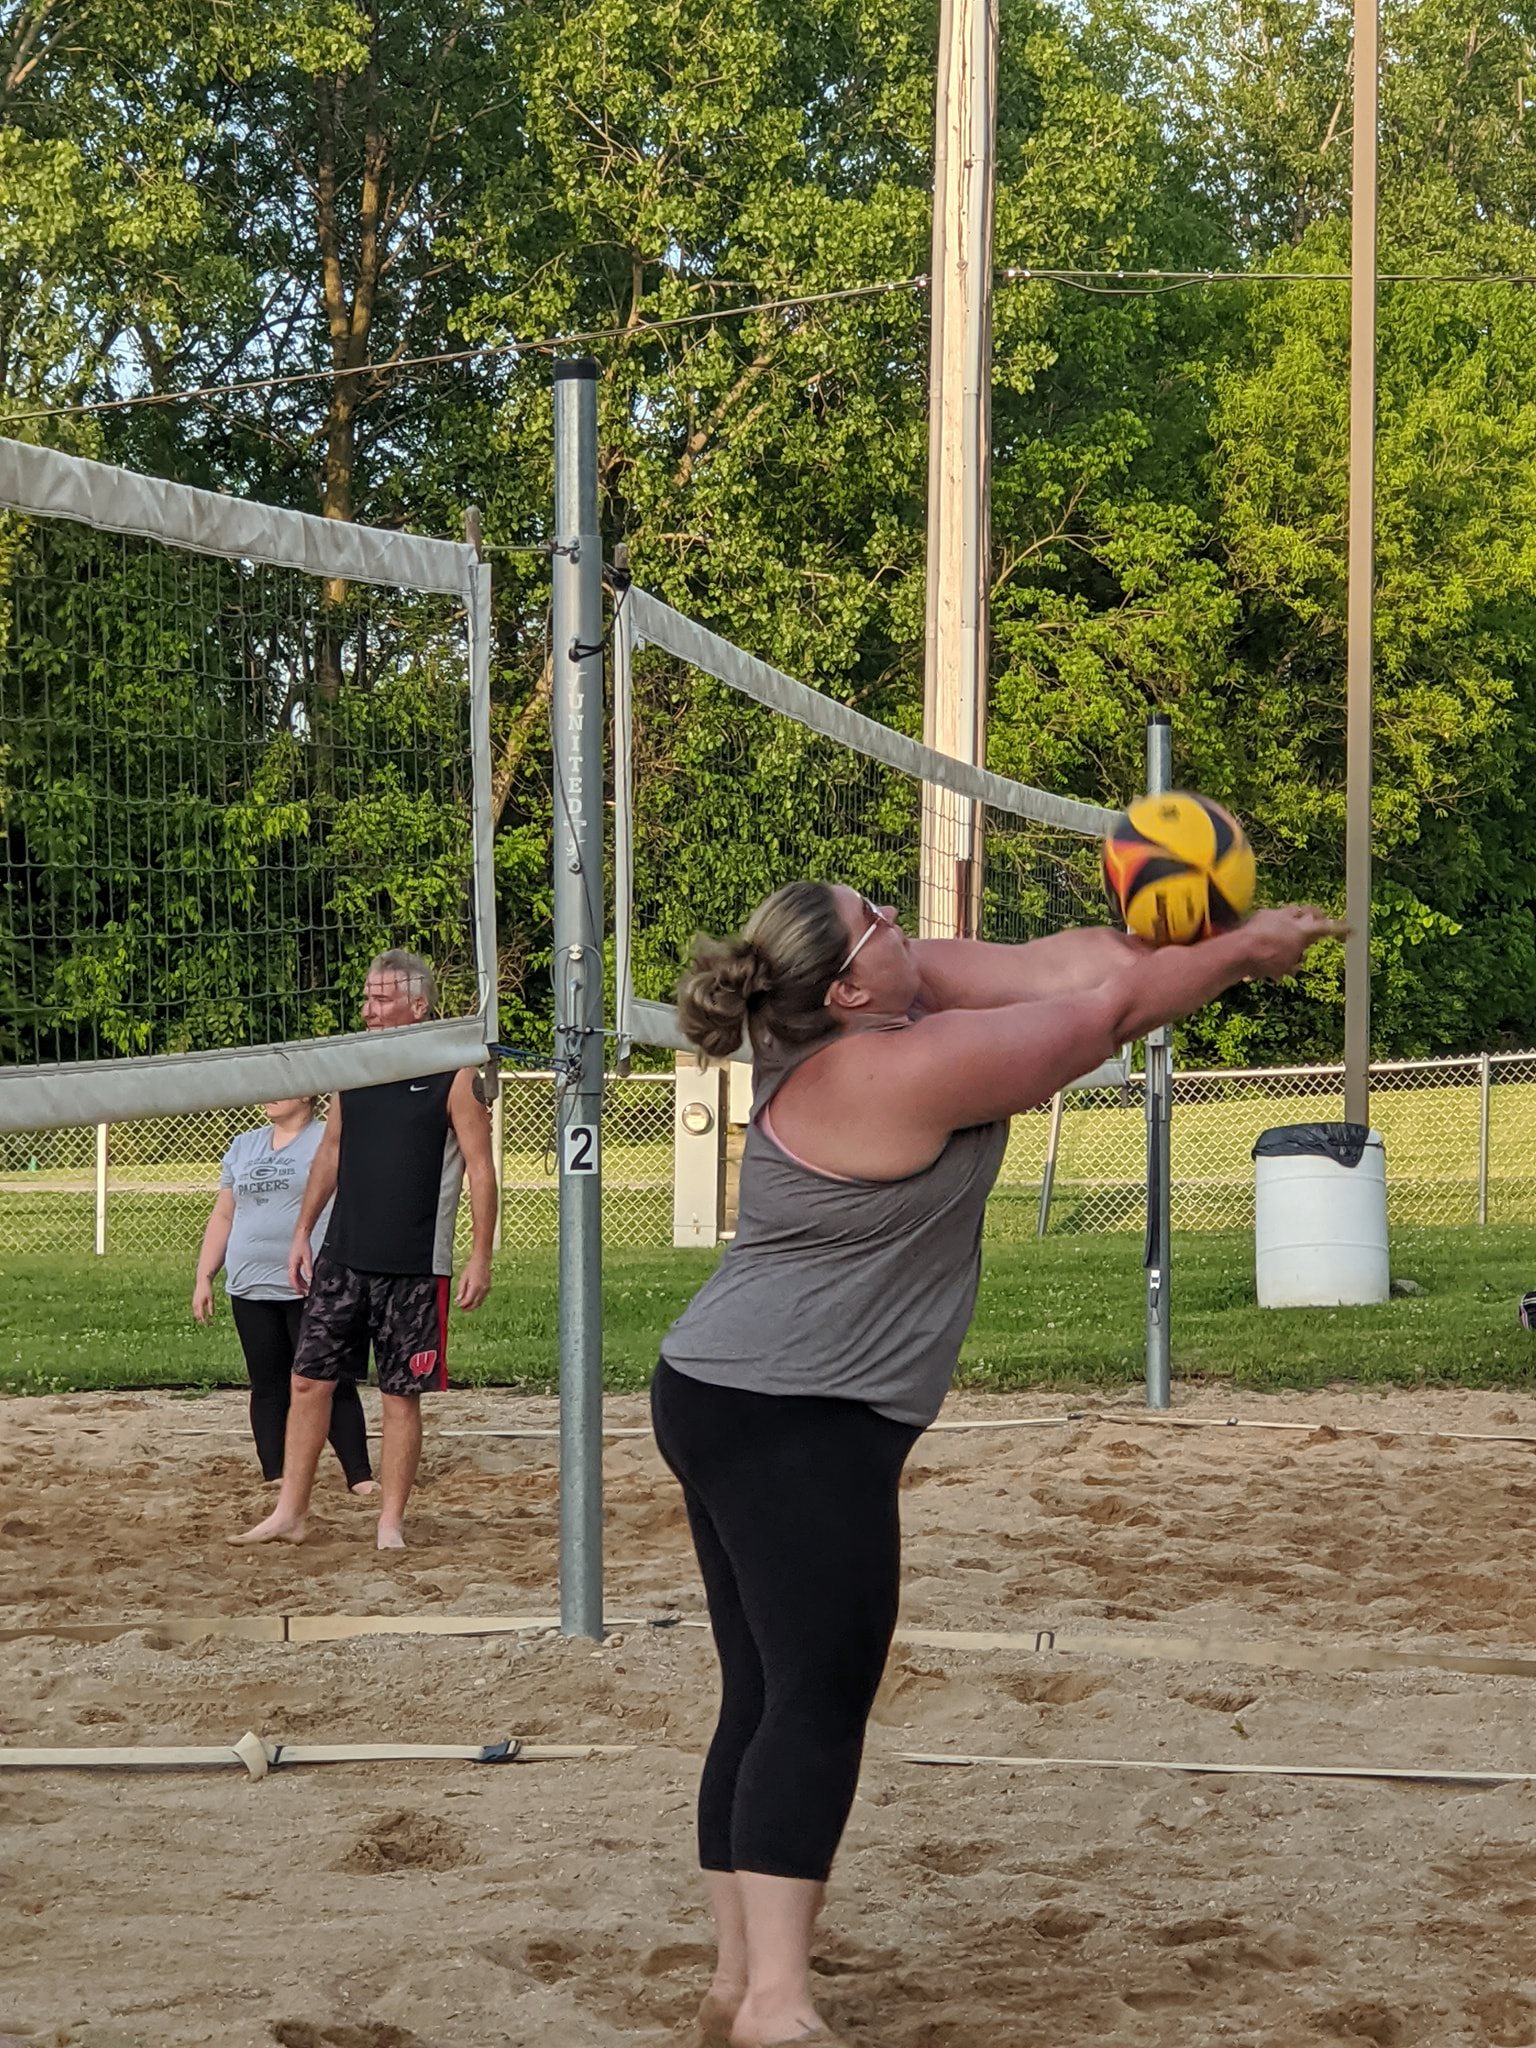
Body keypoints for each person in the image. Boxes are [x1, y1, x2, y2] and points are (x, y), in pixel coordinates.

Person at [653, 882, 1344, 2048]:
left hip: (728, 1386)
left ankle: (735, 1982)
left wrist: (1189, 926)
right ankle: (775, 2000)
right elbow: (1105, 1016)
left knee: (766, 1692)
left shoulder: (865, 1008)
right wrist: (1242, 955)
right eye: (879, 917)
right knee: (815, 1698)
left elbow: (1063, 962)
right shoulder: (893, 1067)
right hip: (792, 1411)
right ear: (851, 984)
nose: (898, 919)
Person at [230, 950, 498, 1551]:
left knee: (400, 1396)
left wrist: (479, 1256)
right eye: (368, 998)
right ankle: (290, 1512)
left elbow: (482, 1170)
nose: (367, 1009)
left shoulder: (454, 1076)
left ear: (417, 1006)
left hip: (413, 1265)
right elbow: (330, 1153)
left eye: (380, 1000)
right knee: (307, 1381)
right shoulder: (354, 1071)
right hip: (343, 1257)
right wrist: (304, 1229)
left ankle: (389, 1523)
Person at [192, 1096, 373, 1496]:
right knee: (268, 1383)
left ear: (307, 1093)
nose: (269, 1096)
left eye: (282, 1087)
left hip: (309, 1284)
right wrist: (205, 1275)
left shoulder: (327, 1139)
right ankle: (275, 1473)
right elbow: (224, 1213)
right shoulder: (244, 1145)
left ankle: (359, 1476)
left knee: (329, 1380)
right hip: (249, 1284)